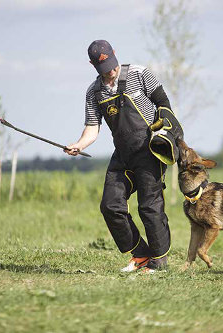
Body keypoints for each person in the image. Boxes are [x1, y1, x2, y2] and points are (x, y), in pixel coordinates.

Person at [65, 40, 181, 273]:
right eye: (104, 68)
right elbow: (92, 127)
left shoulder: (140, 74)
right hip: (123, 155)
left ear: (115, 55)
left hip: (150, 151)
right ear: (92, 65)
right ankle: (140, 255)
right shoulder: (93, 92)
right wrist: (79, 144)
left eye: (112, 64)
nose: (111, 71)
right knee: (110, 206)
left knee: (149, 207)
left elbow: (163, 103)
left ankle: (159, 263)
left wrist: (164, 131)